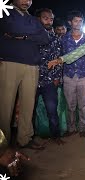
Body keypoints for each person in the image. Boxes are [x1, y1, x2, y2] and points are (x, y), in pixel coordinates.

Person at [0, 0, 49, 150]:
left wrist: (25, 36)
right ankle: (3, 144)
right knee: (5, 106)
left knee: (28, 104)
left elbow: (45, 38)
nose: (26, 1)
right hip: (9, 62)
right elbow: (14, 27)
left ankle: (25, 138)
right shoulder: (5, 12)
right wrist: (34, 31)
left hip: (32, 65)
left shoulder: (32, 19)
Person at [61, 10, 85, 138]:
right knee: (70, 105)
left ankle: (82, 128)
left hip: (84, 76)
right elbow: (61, 57)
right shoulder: (64, 39)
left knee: (84, 104)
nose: (79, 23)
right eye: (76, 20)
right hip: (68, 75)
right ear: (70, 22)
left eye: (81, 21)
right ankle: (71, 128)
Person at [34, 8, 64, 145]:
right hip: (31, 79)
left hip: (49, 81)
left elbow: (58, 59)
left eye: (51, 19)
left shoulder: (55, 39)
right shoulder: (30, 36)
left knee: (52, 110)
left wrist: (57, 77)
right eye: (45, 18)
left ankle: (55, 135)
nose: (49, 21)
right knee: (29, 110)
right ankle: (30, 137)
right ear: (38, 19)